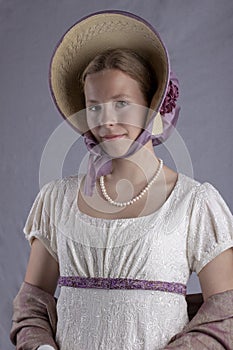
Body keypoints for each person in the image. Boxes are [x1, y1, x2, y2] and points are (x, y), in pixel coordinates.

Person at [10, 10, 233, 350]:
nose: (106, 121)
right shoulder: (58, 199)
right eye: (94, 107)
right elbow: (32, 304)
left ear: (152, 107)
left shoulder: (194, 204)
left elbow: (225, 315)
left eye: (122, 103)